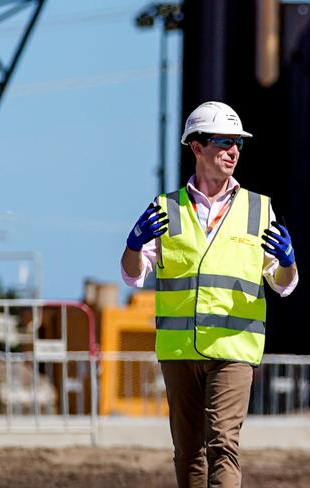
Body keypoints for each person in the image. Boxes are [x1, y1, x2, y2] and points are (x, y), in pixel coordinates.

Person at [121, 101, 298, 488]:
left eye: (237, 143)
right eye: (223, 142)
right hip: (180, 350)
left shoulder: (258, 209)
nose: (233, 151)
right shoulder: (166, 208)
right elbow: (133, 277)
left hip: (234, 349)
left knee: (222, 443)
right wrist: (133, 248)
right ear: (196, 147)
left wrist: (287, 262)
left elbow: (283, 284)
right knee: (188, 451)